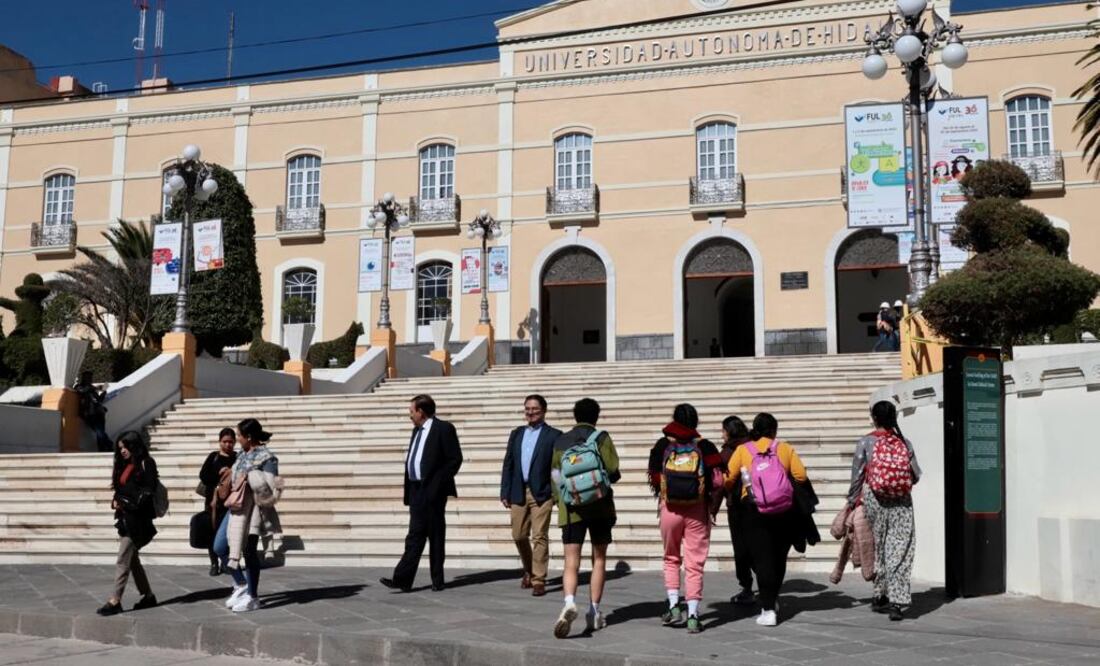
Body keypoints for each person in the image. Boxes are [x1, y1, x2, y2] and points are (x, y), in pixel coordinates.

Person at [646, 404, 724, 634]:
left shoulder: (663, 445)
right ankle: (693, 614)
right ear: (695, 422)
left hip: (669, 509)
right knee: (695, 563)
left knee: (671, 558)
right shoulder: (705, 446)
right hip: (697, 510)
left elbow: (654, 475)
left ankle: (673, 606)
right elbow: (719, 481)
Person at [725, 413, 808, 627]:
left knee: (762, 559)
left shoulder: (744, 450)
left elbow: (729, 477)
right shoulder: (785, 448)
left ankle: (768, 608)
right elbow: (800, 476)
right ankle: (773, 598)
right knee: (778, 557)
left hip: (753, 511)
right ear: (774, 430)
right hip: (784, 509)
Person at [550, 398, 621, 639]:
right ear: (596, 416)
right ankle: (593, 611)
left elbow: (555, 475)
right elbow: (612, 469)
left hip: (571, 511)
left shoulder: (561, 440)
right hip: (600, 507)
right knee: (598, 559)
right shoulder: (601, 438)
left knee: (571, 561)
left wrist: (564, 497)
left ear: (574, 415)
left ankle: (569, 602)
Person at [381, 394, 463, 592]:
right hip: (416, 490)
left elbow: (454, 459)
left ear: (421, 412)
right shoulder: (416, 431)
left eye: (412, 411)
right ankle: (402, 579)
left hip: (433, 491)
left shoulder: (444, 428)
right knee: (415, 535)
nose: (410, 415)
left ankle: (437, 579)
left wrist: (437, 483)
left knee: (435, 535)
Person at [848, 401, 921, 621]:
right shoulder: (903, 442)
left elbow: (857, 475)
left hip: (874, 498)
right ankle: (897, 602)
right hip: (901, 501)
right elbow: (915, 475)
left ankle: (880, 594)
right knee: (900, 548)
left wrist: (852, 501)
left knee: (879, 544)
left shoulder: (865, 442)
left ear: (874, 417)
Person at [500, 394, 562, 597]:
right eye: (527, 408)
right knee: (518, 534)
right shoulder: (516, 434)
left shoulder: (554, 435)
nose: (530, 412)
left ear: (543, 410)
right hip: (518, 490)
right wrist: (505, 491)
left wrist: (557, 493)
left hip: (542, 493)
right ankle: (529, 568)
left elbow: (557, 467)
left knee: (540, 535)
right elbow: (508, 463)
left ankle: (538, 579)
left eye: (535, 409)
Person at [219, 418, 283, 613]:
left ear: (248, 437)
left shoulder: (267, 457)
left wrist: (251, 476)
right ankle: (241, 584)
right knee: (219, 546)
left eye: (238, 435)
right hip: (236, 507)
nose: (236, 439)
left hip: (255, 509)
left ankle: (253, 596)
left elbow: (271, 486)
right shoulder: (242, 455)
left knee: (249, 552)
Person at [97, 431, 159, 615]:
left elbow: (149, 489)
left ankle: (115, 600)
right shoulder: (124, 465)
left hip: (138, 520)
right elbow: (121, 489)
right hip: (125, 518)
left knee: (123, 558)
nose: (123, 451)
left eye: (126, 447)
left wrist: (126, 501)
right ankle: (148, 596)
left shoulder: (146, 463)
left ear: (134, 445)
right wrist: (117, 500)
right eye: (120, 448)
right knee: (132, 561)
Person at [719, 415, 755, 606]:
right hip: (758, 503)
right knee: (758, 545)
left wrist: (712, 508)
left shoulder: (727, 453)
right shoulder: (754, 444)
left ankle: (747, 587)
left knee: (740, 548)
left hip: (737, 506)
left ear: (729, 431)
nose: (721, 434)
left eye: (723, 430)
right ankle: (767, 583)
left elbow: (722, 483)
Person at [199, 427, 237, 576]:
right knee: (212, 532)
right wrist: (218, 474)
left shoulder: (238, 457)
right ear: (220, 442)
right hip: (213, 502)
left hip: (230, 501)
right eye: (225, 441)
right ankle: (214, 563)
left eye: (231, 442)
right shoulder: (213, 457)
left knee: (227, 534)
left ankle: (226, 561)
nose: (228, 445)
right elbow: (203, 476)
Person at [74, 371, 111, 453]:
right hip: (89, 413)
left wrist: (104, 392)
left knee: (100, 433)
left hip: (99, 412)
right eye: (88, 378)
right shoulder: (79, 386)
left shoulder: (92, 388)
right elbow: (82, 391)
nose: (90, 379)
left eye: (90, 378)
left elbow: (99, 400)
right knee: (99, 432)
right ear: (83, 378)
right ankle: (109, 445)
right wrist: (94, 388)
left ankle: (102, 450)